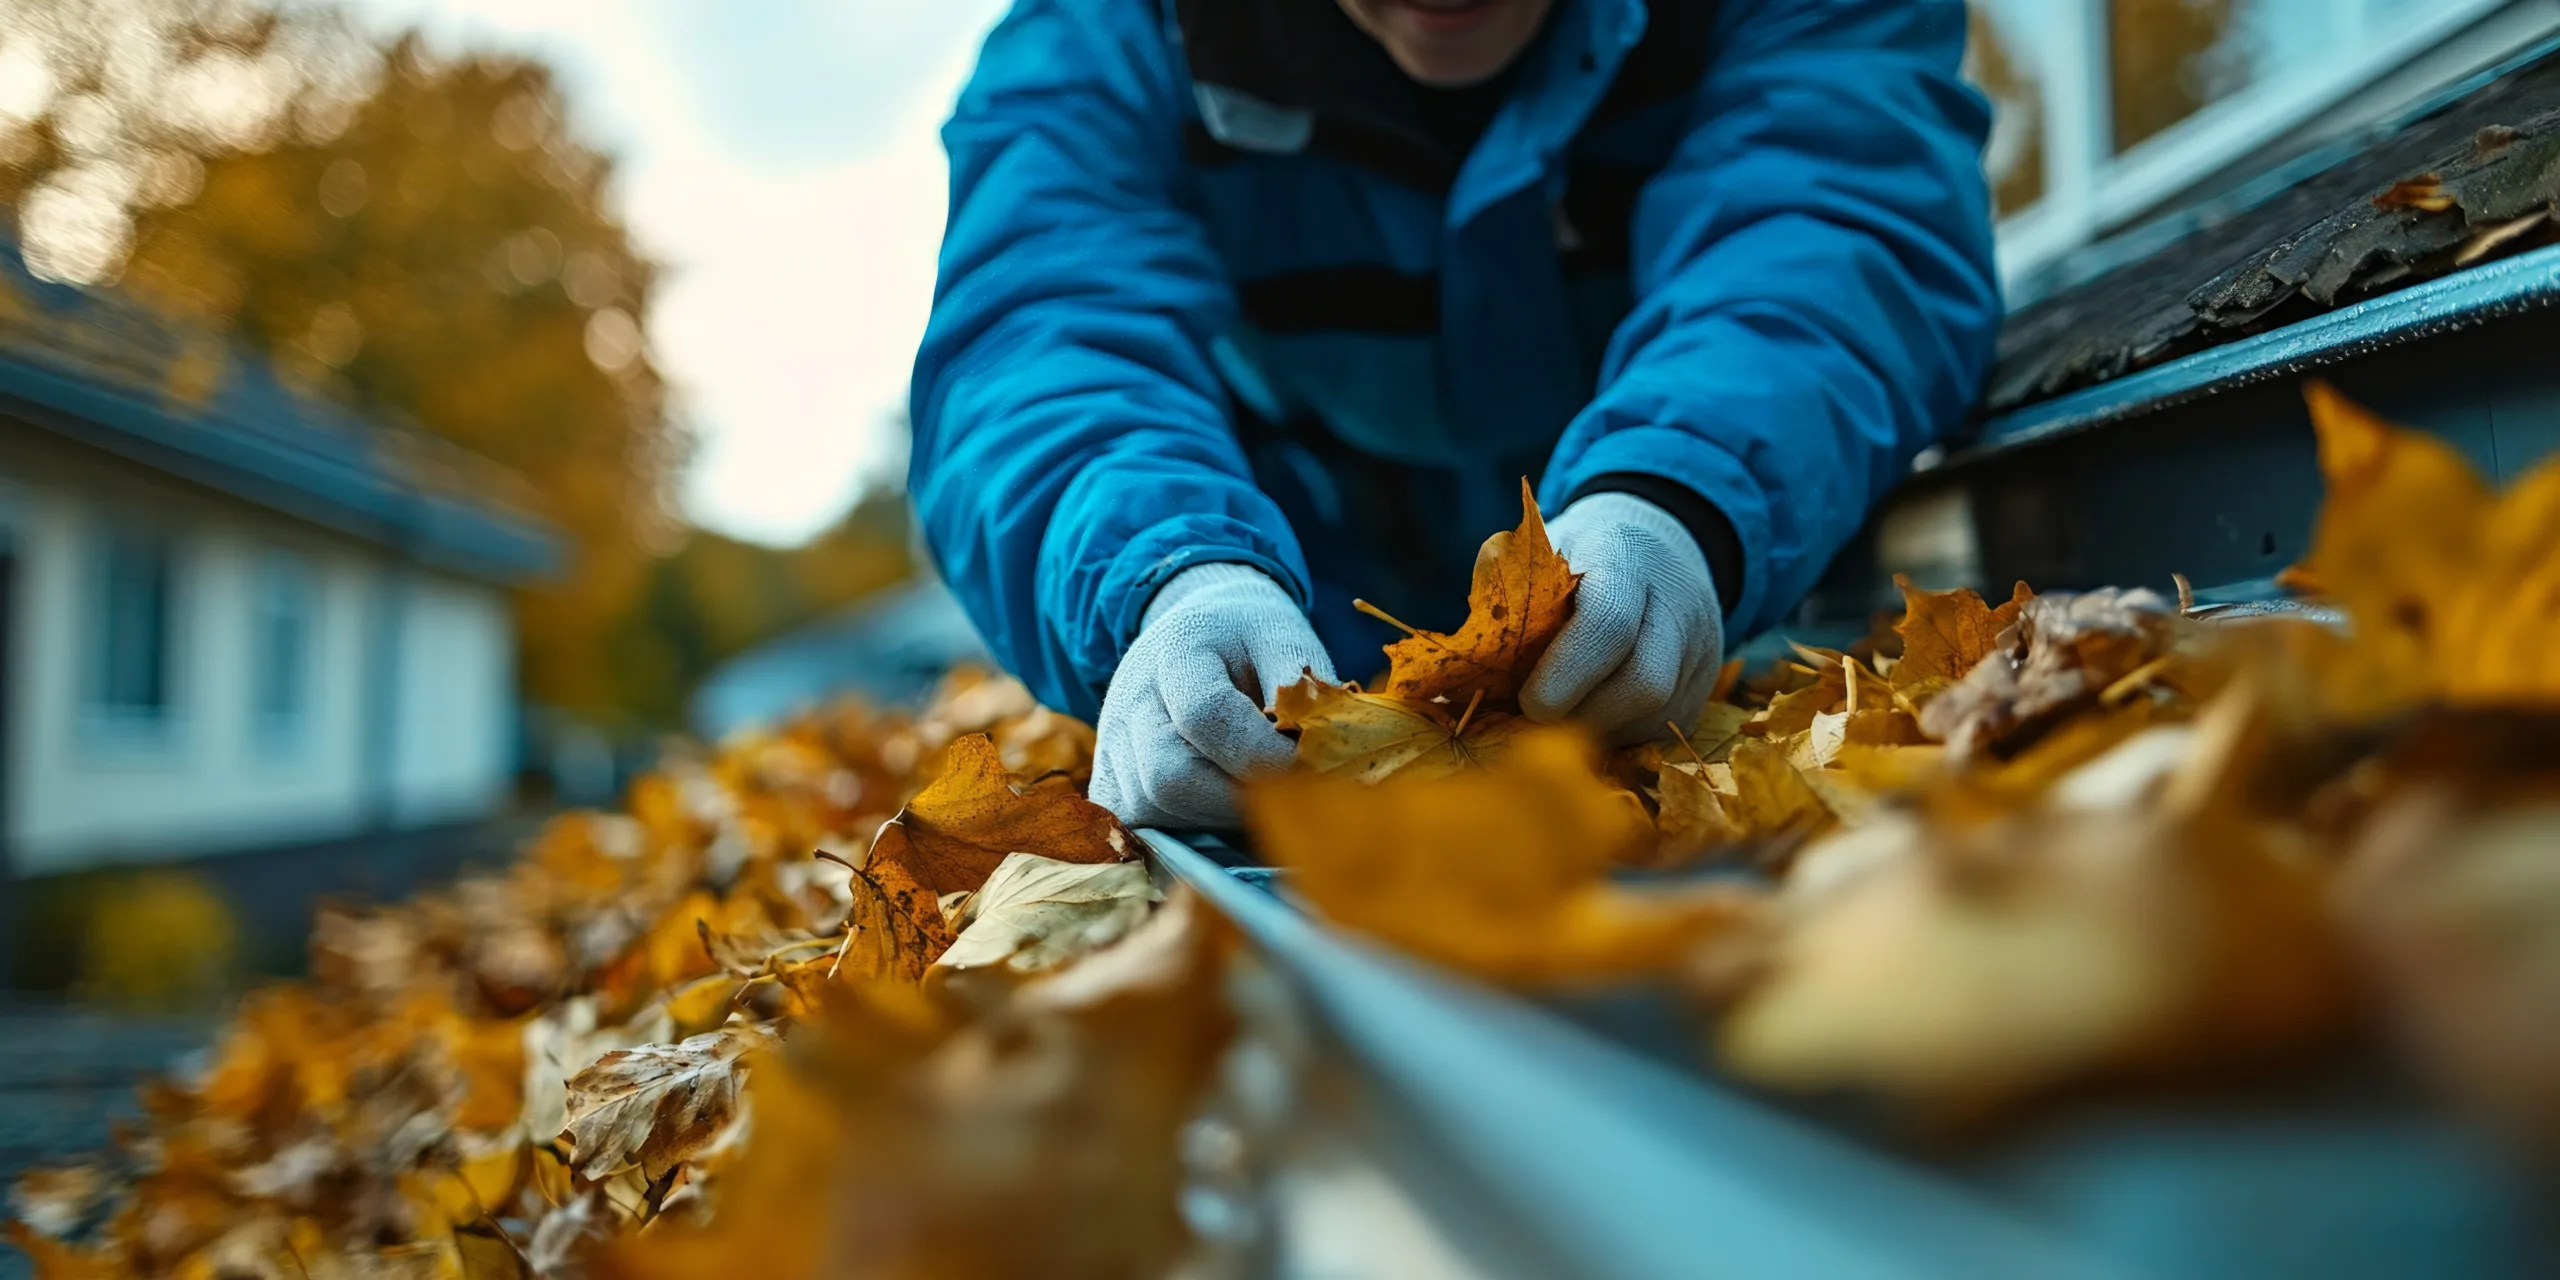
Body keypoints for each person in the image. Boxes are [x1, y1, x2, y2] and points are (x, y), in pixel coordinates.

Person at [909, 0, 2000, 828]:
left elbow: (1832, 217)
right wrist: (1166, 577)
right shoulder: (1107, 36)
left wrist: (1681, 494)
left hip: (1716, 613)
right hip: (1311, 629)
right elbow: (1039, 332)